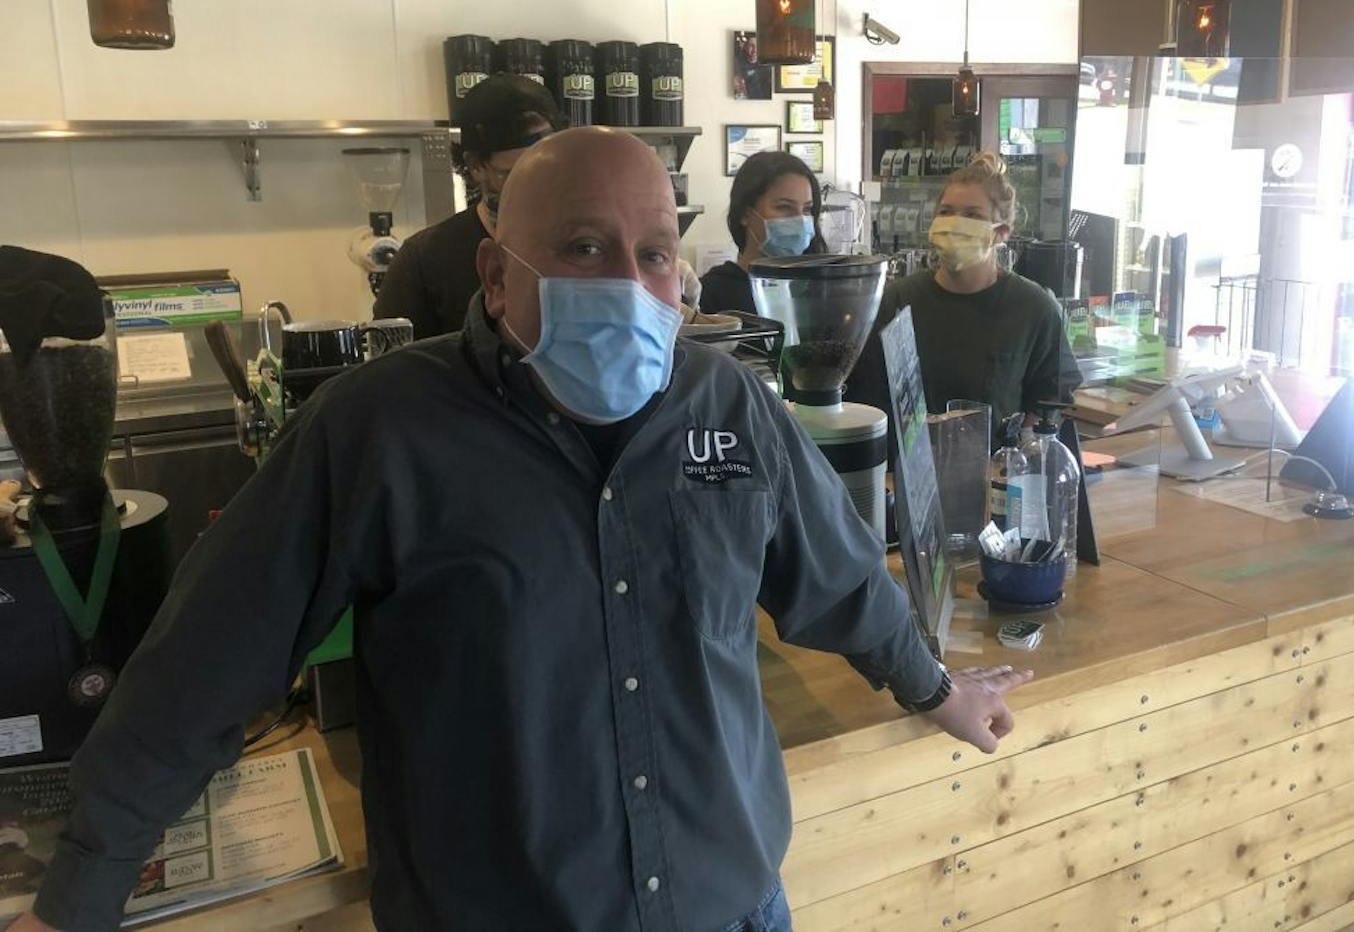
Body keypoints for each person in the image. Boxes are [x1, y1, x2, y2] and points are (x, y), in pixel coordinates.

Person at [11, 128, 1030, 932]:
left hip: (729, 907)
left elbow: (839, 575)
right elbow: (205, 660)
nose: (628, 282)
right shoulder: (381, 430)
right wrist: (84, 889)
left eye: (653, 253)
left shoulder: (725, 407)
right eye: (582, 248)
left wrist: (933, 685)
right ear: (496, 279)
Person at [847, 152, 1082, 427]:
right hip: (903, 466)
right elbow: (866, 396)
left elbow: (1050, 398)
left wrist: (1017, 452)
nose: (955, 223)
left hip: (995, 465)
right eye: (946, 212)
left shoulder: (1033, 308)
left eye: (972, 215)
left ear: (1001, 232)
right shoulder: (897, 300)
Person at [372, 72, 564, 339]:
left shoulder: (589, 242)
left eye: (547, 170)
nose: (536, 188)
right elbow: (392, 367)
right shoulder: (425, 259)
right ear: (475, 166)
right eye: (513, 174)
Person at [699, 150, 828, 316]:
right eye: (784, 207)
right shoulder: (712, 294)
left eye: (807, 209)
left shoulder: (819, 289)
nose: (799, 220)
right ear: (745, 214)